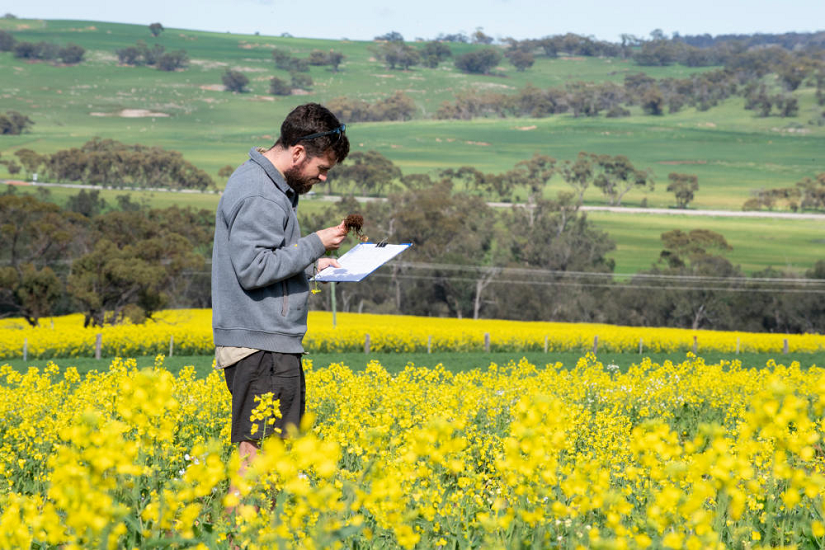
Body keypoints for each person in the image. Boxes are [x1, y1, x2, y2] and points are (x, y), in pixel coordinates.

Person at [211, 102, 350, 471]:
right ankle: (245, 527)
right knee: (260, 457)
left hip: (262, 343)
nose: (322, 179)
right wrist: (315, 243)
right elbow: (254, 269)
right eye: (321, 169)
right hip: (263, 346)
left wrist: (310, 265)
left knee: (266, 455)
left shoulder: (258, 182)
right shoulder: (261, 194)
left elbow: (266, 259)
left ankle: (251, 526)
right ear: (299, 152)